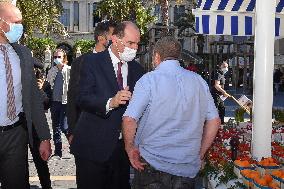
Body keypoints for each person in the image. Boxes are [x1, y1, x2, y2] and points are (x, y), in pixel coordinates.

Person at [122, 36, 220, 189]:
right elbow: (214, 120)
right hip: (186, 167)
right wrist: (200, 153)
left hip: (151, 165)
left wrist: (129, 148)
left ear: (156, 56)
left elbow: (129, 119)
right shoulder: (198, 81)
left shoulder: (148, 80)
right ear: (178, 56)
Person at [70, 21, 144, 189]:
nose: (135, 48)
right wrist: (111, 102)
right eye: (130, 43)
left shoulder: (138, 70)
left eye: (137, 43)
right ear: (115, 39)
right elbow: (82, 98)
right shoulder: (91, 62)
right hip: (92, 148)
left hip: (121, 151)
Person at [0, 2, 51, 189]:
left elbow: (33, 98)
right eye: (15, 22)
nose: (19, 27)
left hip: (15, 135)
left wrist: (44, 137)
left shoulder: (23, 54)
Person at [67, 21, 115, 143]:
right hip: (86, 130)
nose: (117, 39)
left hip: (112, 132)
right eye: (113, 35)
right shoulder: (81, 62)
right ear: (101, 39)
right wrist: (72, 130)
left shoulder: (118, 63)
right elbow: (73, 97)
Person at [47, 49, 71, 159]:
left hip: (65, 102)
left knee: (64, 126)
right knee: (55, 127)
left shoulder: (69, 70)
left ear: (64, 58)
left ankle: (74, 146)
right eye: (55, 57)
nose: (57, 59)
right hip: (54, 102)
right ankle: (58, 151)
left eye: (59, 57)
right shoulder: (51, 70)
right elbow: (48, 85)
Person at [211, 58, 231, 124]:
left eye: (227, 67)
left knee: (222, 109)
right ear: (220, 66)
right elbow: (216, 85)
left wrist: (223, 92)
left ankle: (221, 122)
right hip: (215, 94)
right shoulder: (218, 74)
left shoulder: (222, 74)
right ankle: (213, 123)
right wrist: (224, 92)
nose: (226, 68)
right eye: (224, 66)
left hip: (219, 95)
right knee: (215, 109)